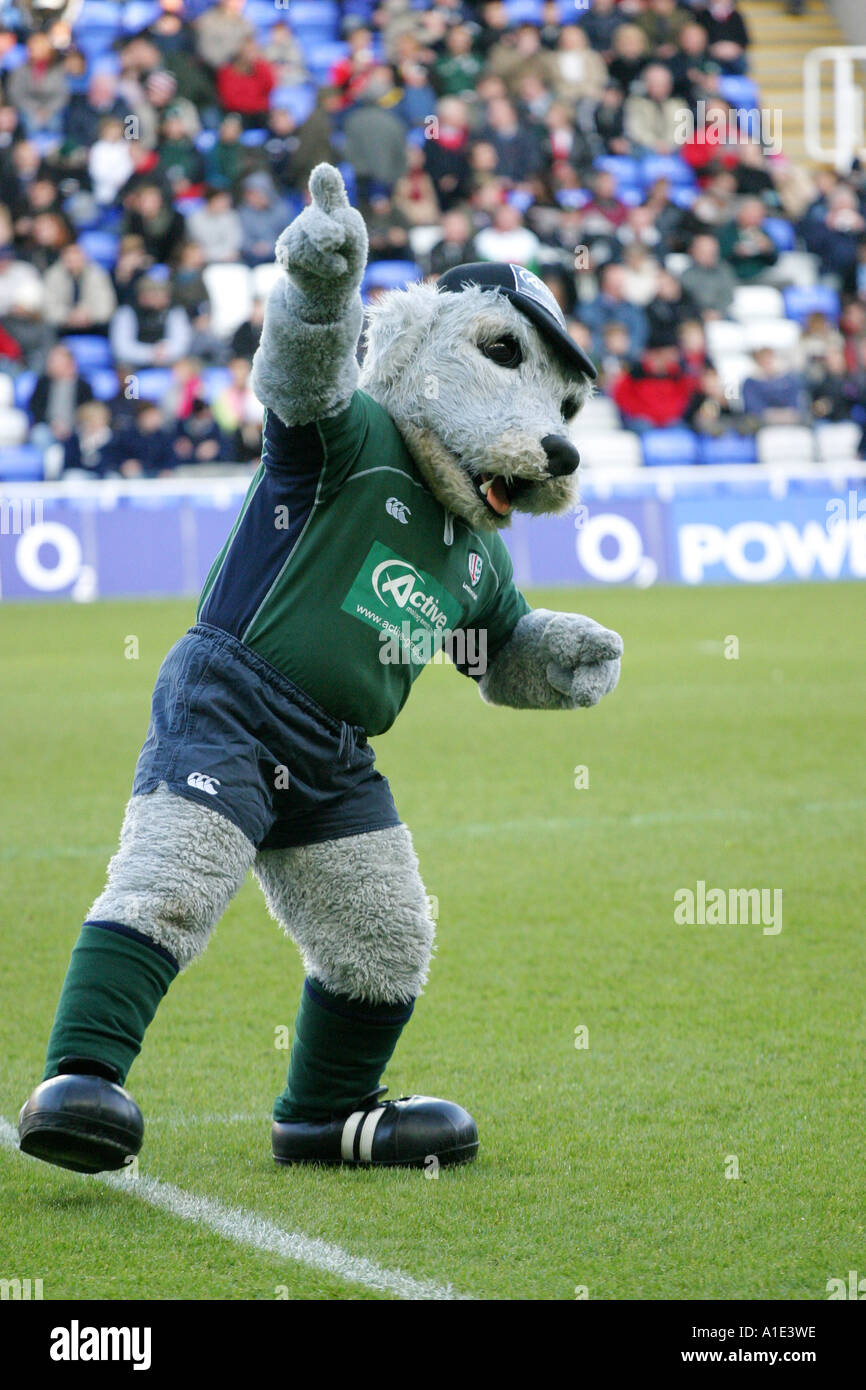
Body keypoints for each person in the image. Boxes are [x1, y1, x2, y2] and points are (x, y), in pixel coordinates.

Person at [110, 270, 193, 367]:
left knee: (186, 365)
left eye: (163, 293)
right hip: (135, 364)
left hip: (167, 361)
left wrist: (166, 351)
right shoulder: (126, 312)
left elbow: (181, 343)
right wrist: (150, 354)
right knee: (124, 370)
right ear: (142, 295)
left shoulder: (175, 311)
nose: (162, 297)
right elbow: (122, 349)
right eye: (154, 293)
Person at [43, 242, 117, 336]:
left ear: (84, 258)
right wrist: (69, 316)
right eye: (69, 260)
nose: (74, 263)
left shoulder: (98, 274)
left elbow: (107, 306)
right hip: (63, 324)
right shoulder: (53, 275)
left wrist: (88, 315)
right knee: (46, 328)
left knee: (112, 325)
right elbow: (48, 308)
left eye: (77, 259)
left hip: (93, 323)